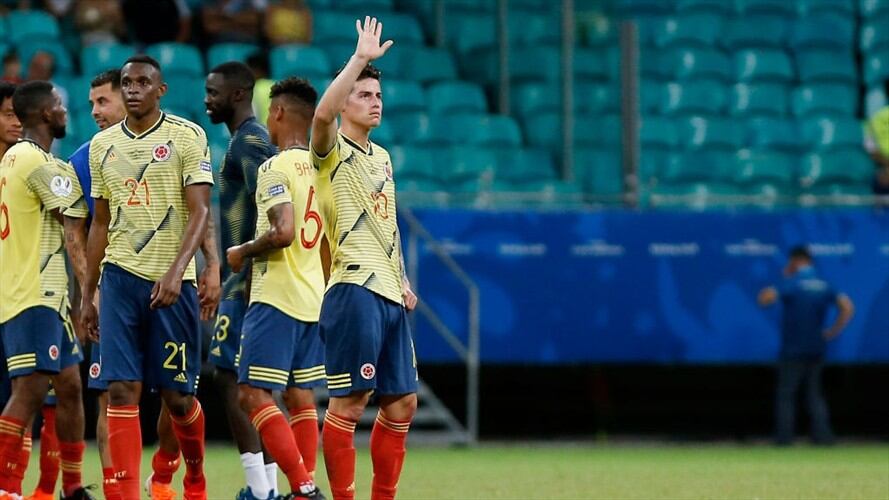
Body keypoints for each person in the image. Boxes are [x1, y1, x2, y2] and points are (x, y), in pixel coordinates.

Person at [79, 55, 214, 500]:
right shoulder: (102, 147)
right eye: (126, 82)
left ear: (161, 90)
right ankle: (126, 495)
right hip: (119, 278)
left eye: (142, 82)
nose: (133, 89)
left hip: (173, 284)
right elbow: (99, 223)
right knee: (120, 390)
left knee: (177, 397)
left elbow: (201, 211)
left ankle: (192, 473)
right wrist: (88, 292)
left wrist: (179, 272)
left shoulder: (187, 136)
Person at [310, 17, 419, 500]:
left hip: (389, 291)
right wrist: (359, 60)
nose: (375, 103)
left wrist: (403, 278)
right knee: (350, 404)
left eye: (377, 95)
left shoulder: (383, 158)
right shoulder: (331, 150)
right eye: (364, 95)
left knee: (403, 405)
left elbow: (388, 226)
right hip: (354, 288)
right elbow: (320, 116)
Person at [227, 76, 328, 500]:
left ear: (280, 113)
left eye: (270, 111)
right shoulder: (325, 170)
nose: (267, 119)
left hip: (277, 297)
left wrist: (242, 250)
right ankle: (302, 487)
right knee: (301, 396)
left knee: (252, 393)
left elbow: (283, 231)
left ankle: (302, 487)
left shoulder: (275, 167)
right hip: (313, 297)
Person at [0, 81, 92, 499]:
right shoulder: (35, 162)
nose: (64, 110)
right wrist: (90, 295)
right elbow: (75, 229)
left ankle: (72, 488)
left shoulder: (15, 158)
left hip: (48, 298)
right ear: (41, 114)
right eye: (59, 104)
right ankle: (6, 488)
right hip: (33, 293)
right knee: (32, 390)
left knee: (69, 385)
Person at [203, 61, 277, 500]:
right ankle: (267, 486)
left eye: (213, 92)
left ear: (237, 94)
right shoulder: (243, 140)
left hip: (246, 283)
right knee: (244, 381)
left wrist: (251, 269)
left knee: (232, 378)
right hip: (244, 280)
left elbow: (274, 204)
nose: (207, 99)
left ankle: (262, 488)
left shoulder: (249, 142)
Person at [758, 246, 855, 446]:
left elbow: (764, 300)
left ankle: (784, 440)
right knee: (814, 394)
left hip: (793, 349)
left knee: (786, 394)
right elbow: (847, 307)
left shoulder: (792, 283)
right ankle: (824, 438)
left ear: (794, 261)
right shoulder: (824, 284)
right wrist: (833, 331)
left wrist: (783, 278)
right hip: (816, 348)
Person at [865, 79, 889, 197]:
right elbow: (871, 149)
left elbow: (870, 149)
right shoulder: (876, 119)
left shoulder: (875, 117)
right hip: (884, 171)